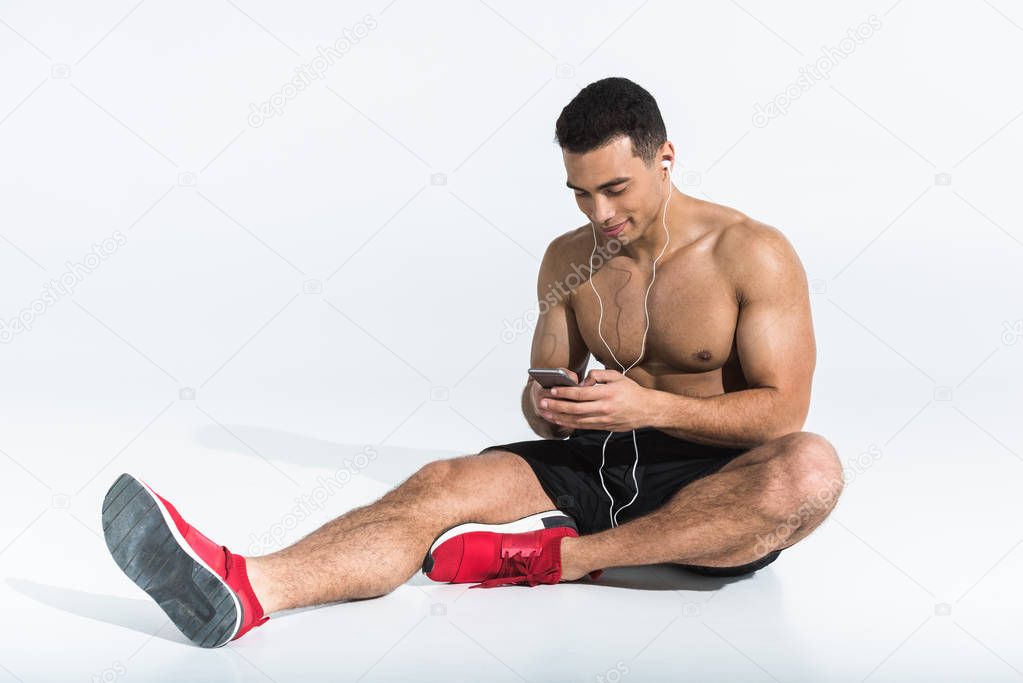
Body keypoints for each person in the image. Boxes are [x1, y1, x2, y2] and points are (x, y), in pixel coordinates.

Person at [101, 76, 844, 648]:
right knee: (439, 481)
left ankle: (566, 559)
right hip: (596, 460)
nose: (598, 213)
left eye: (615, 188)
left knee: (810, 469)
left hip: (712, 478)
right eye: (580, 192)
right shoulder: (567, 259)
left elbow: (781, 412)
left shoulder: (752, 252)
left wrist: (649, 407)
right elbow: (539, 406)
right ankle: (249, 588)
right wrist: (553, 404)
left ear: (665, 158)